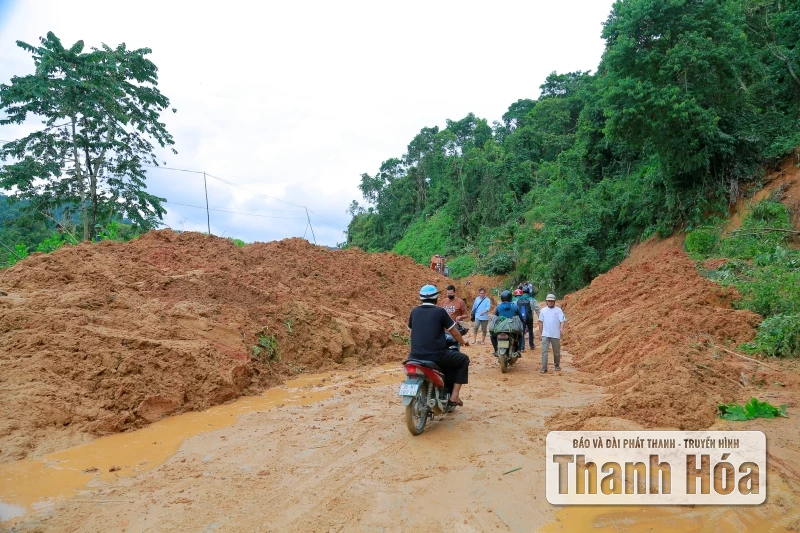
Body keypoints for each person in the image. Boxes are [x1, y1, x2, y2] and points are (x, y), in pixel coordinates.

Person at [408, 285, 470, 405]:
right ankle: (454, 397)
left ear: (421, 298)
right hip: (436, 356)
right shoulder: (440, 312)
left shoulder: (414, 311)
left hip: (414, 356)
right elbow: (454, 333)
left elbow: (412, 332)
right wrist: (463, 342)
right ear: (436, 298)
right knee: (463, 359)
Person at [490, 290, 524, 355]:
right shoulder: (515, 306)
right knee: (520, 336)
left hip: (500, 328)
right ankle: (519, 350)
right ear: (510, 297)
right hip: (512, 328)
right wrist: (523, 322)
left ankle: (496, 350)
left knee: (492, 337)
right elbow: (520, 317)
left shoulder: (498, 307)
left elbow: (495, 317)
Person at [538, 293, 566, 373]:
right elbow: (540, 322)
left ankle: (557, 365)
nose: (550, 302)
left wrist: (561, 328)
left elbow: (562, 320)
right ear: (546, 301)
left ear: (554, 301)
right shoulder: (543, 310)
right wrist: (540, 333)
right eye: (548, 301)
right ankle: (544, 368)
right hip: (545, 334)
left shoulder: (558, 310)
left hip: (555, 334)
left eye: (551, 301)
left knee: (556, 352)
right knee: (544, 352)